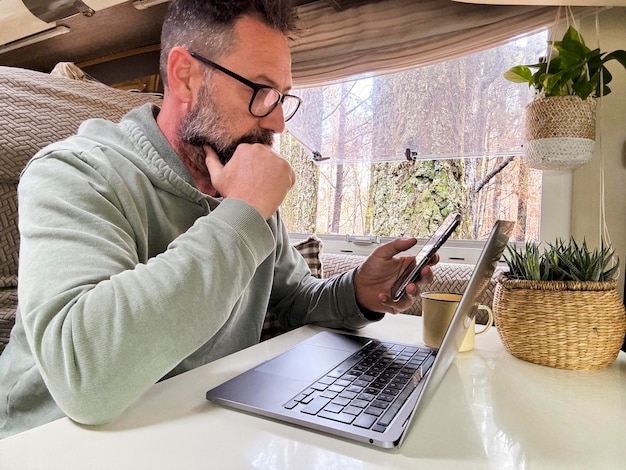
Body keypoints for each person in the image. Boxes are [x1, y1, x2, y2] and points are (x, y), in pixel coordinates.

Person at [0, 0, 436, 440]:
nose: (279, 122)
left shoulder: (244, 189)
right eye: (260, 91)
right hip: (54, 443)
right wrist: (242, 213)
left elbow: (292, 299)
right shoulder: (76, 173)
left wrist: (359, 292)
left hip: (196, 430)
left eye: (282, 97)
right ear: (185, 75)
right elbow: (84, 379)